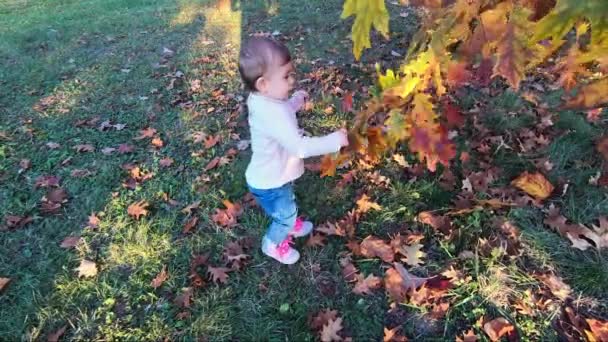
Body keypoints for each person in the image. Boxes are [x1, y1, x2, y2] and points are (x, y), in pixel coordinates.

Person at [238, 36, 349, 264]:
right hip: (269, 183)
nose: (292, 81)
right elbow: (299, 147)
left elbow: (279, 116)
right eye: (286, 76)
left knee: (287, 200)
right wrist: (333, 140)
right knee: (283, 215)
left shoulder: (261, 100)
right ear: (263, 84)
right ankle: (274, 242)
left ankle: (290, 220)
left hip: (274, 175)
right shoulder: (272, 110)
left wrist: (294, 103)